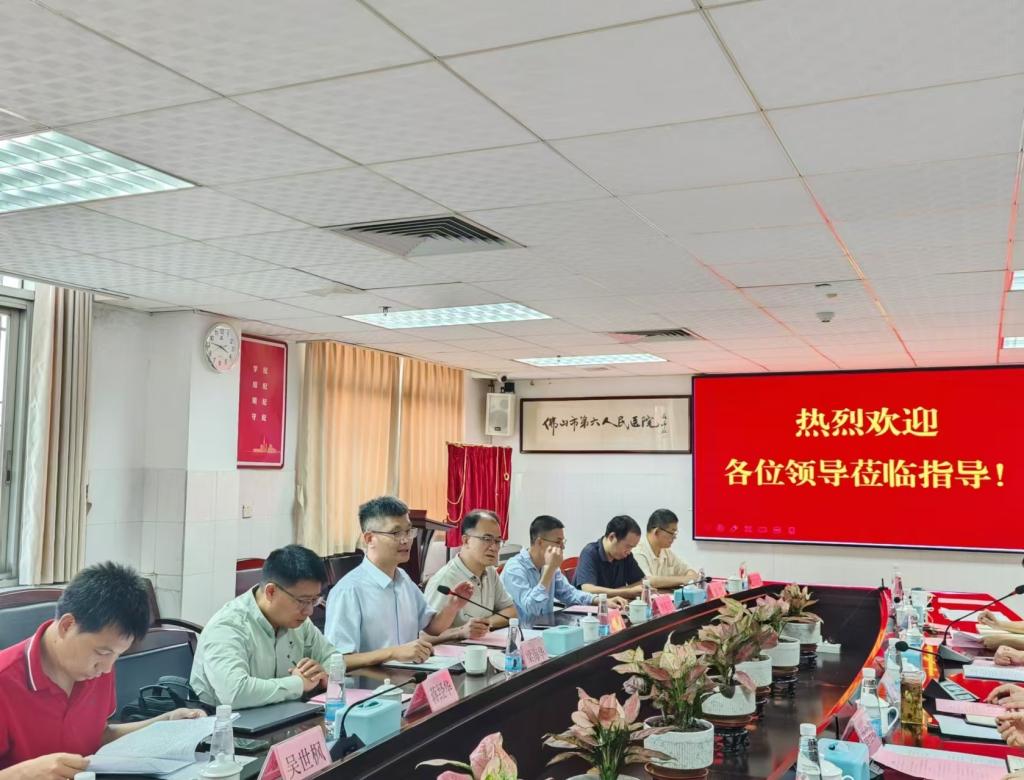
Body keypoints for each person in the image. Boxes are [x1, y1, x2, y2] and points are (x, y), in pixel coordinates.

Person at [0, 562, 203, 779]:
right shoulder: (5, 681)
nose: (107, 668)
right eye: (102, 652)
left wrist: (164, 723)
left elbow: (98, 735)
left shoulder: (98, 669)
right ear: (67, 626)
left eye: (117, 655)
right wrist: (23, 773)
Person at [325, 496, 474, 670]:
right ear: (370, 538)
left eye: (408, 531)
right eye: (396, 533)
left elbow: (432, 628)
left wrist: (452, 606)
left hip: (410, 678)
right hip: (374, 685)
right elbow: (337, 661)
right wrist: (392, 653)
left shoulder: (403, 578)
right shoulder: (348, 591)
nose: (406, 540)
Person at [190, 544, 341, 709]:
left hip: (286, 716)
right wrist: (298, 683)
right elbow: (234, 693)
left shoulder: (298, 620)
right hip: (230, 722)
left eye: (314, 600)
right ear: (271, 592)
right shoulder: (228, 626)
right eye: (303, 601)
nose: (309, 611)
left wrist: (323, 676)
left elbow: (333, 658)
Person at [500, 515, 628, 628]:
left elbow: (569, 593)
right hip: (523, 634)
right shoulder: (515, 568)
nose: (563, 547)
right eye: (558, 542)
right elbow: (532, 609)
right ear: (539, 542)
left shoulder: (549, 565)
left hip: (546, 629)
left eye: (563, 541)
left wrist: (600, 600)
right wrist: (549, 570)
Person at [424, 510, 517, 636]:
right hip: (453, 647)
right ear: (466, 540)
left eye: (497, 541)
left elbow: (511, 611)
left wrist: (486, 624)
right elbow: (425, 636)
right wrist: (461, 632)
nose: (494, 548)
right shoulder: (445, 579)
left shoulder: (489, 572)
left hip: (482, 643)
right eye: (487, 539)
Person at [572, 515, 646, 599]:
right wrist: (625, 592)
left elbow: (641, 582)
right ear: (612, 537)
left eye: (632, 547)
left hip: (615, 605)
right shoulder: (590, 552)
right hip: (587, 606)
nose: (629, 551)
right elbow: (588, 590)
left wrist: (619, 592)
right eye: (628, 546)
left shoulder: (626, 555)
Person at [633, 508, 699, 589]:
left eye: (675, 533)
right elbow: (648, 581)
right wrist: (683, 579)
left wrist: (689, 578)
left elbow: (689, 571)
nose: (674, 537)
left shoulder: (666, 551)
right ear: (657, 532)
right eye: (672, 533)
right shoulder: (638, 551)